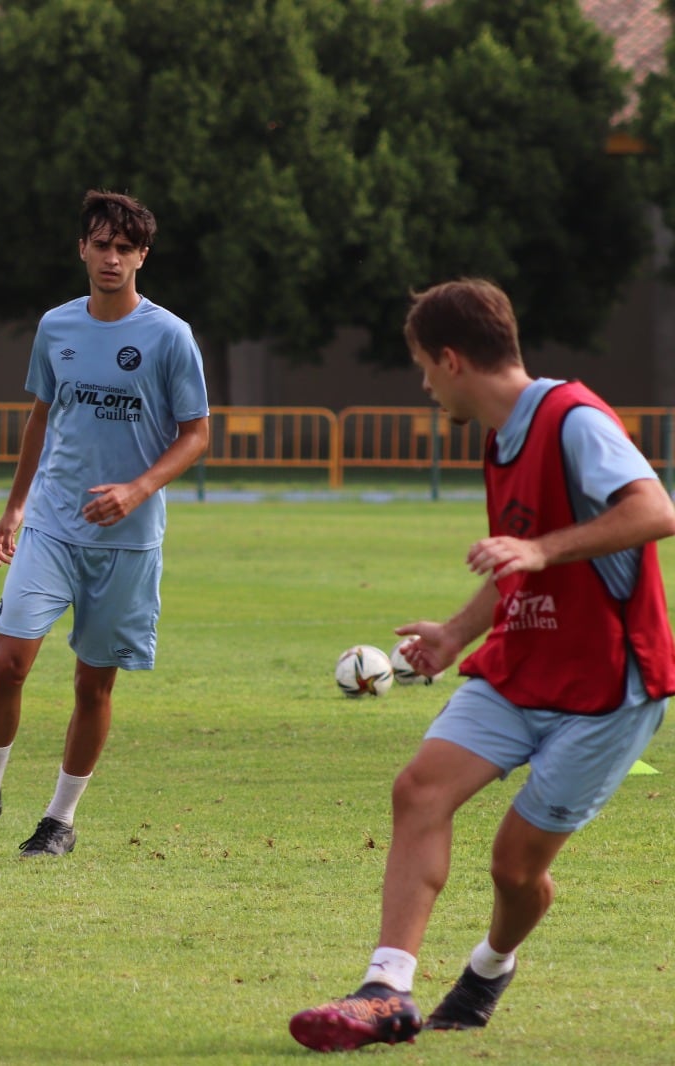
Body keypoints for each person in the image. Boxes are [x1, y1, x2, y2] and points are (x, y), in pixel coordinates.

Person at [289, 278, 675, 1052]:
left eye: (423, 368)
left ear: (452, 359)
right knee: (419, 789)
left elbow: (654, 510)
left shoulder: (572, 419)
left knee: (514, 868)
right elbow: (517, 565)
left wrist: (539, 549)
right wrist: (457, 632)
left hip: (606, 685)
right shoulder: (499, 437)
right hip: (521, 662)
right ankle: (387, 990)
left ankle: (490, 967)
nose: (425, 385)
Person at [0, 189, 210, 860]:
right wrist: (15, 505)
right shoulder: (56, 327)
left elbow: (197, 433)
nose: (111, 258)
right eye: (101, 245)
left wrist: (138, 489)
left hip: (128, 541)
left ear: (142, 255)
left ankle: (59, 818)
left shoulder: (169, 336)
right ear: (82, 249)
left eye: (124, 247)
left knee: (93, 683)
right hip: (52, 526)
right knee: (9, 662)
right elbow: (40, 416)